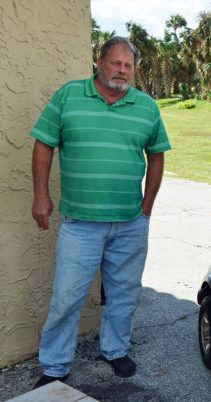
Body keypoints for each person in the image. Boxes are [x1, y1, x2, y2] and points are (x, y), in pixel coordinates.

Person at [30, 36, 171, 388]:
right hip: (80, 223)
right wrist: (40, 196)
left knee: (125, 291)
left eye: (129, 65)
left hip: (130, 222)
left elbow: (157, 155)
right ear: (99, 62)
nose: (122, 71)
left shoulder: (146, 107)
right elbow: (44, 144)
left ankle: (115, 349)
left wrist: (147, 206)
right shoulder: (69, 96)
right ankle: (55, 366)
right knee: (67, 296)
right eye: (116, 63)